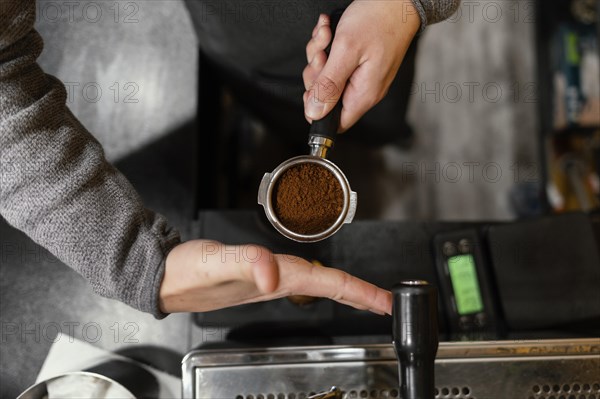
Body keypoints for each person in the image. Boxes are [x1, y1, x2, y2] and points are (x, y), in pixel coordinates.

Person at [0, 0, 459, 319]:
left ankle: (382, 135)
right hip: (242, 30)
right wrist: (133, 263)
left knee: (377, 111)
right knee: (277, 99)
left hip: (379, 23)